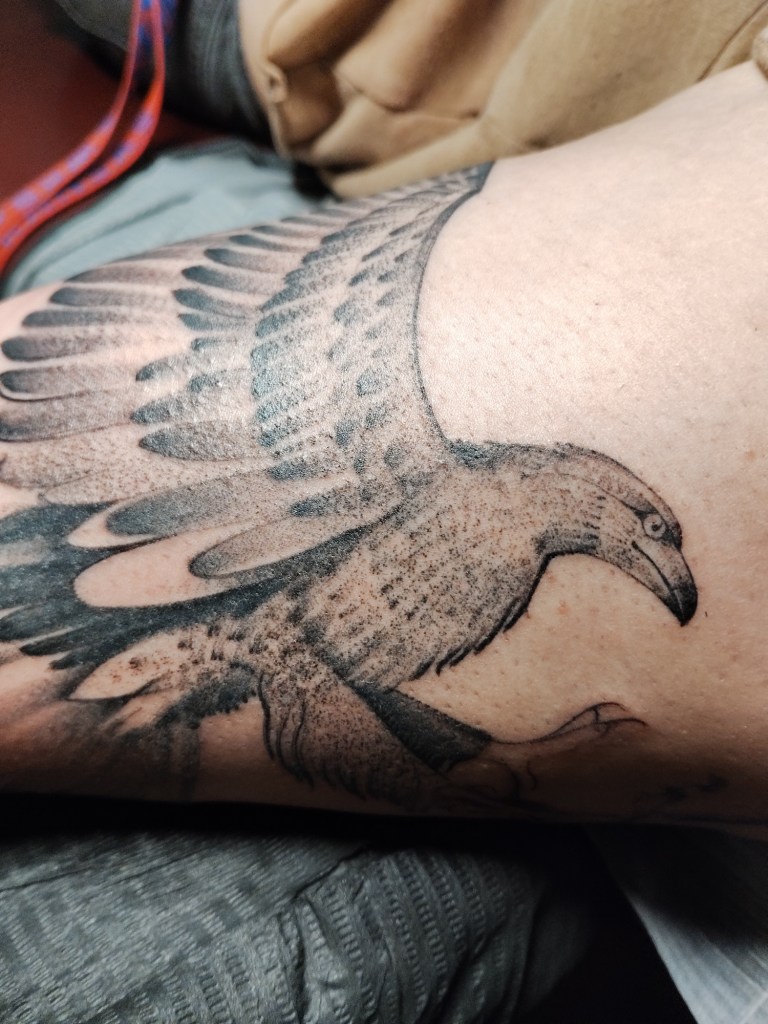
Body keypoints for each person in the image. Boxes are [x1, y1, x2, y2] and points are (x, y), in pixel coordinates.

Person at [2, 2, 768, 1020]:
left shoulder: (522, 545)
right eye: (651, 534)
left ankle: (117, 182)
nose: (660, 564)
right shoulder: (451, 475)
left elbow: (337, 695)